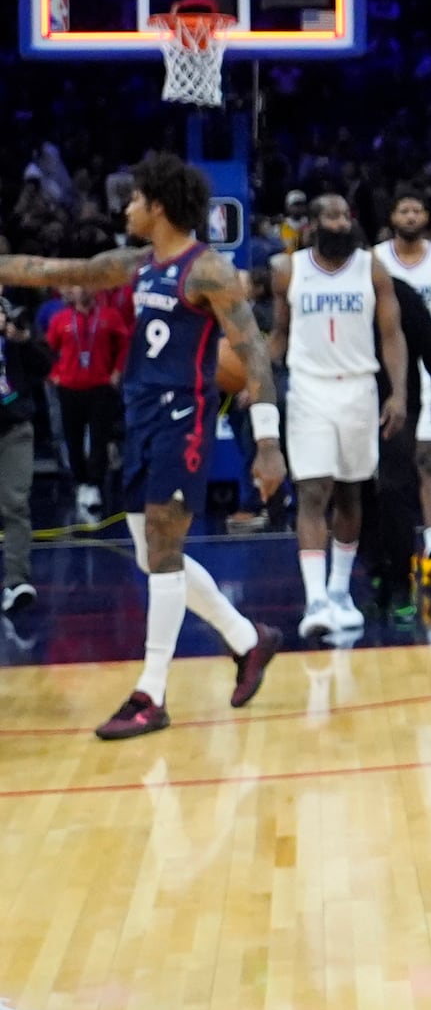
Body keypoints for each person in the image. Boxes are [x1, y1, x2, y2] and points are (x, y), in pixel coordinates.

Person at [0, 154, 284, 739]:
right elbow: (58, 268)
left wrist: (268, 444)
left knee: (162, 548)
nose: (126, 207)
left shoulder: (207, 271)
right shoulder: (135, 265)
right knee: (150, 551)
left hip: (186, 419)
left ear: (157, 206)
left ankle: (151, 693)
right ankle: (248, 640)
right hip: (142, 419)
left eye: (133, 199)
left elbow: (254, 354)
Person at [272, 195, 407, 640]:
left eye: (345, 215)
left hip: (359, 388)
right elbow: (279, 335)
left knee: (351, 492)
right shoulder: (287, 270)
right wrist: (255, 385)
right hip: (309, 386)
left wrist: (399, 393)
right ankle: (314, 600)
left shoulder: (372, 268)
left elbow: (392, 336)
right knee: (312, 489)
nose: (340, 222)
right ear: (313, 224)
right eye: (330, 216)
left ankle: (338, 590)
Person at [375, 191, 431, 583]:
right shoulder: (374, 261)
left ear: (426, 216)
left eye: (416, 210)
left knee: (430, 460)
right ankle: (395, 549)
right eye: (403, 209)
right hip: (387, 372)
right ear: (393, 215)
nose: (410, 216)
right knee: (391, 468)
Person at [44, 283, 125, 522]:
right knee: (73, 439)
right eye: (79, 287)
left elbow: (124, 345)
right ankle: (80, 482)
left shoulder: (110, 316)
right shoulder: (61, 319)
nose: (85, 291)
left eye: (89, 287)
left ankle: (95, 484)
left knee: (100, 438)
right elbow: (47, 350)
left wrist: (116, 372)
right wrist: (54, 374)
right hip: (69, 387)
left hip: (100, 386)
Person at [0, 299, 49, 612]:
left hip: (14, 428)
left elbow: (47, 365)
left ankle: (17, 582)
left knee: (15, 504)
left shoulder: (17, 326)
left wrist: (23, 340)